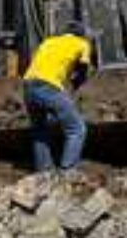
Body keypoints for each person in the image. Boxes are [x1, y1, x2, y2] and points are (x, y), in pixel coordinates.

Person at [22, 22, 93, 173]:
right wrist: (75, 85)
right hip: (49, 87)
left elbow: (44, 63)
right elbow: (83, 70)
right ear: (81, 34)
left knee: (40, 130)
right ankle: (67, 171)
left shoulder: (48, 42)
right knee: (77, 129)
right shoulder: (82, 44)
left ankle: (44, 172)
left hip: (28, 86)